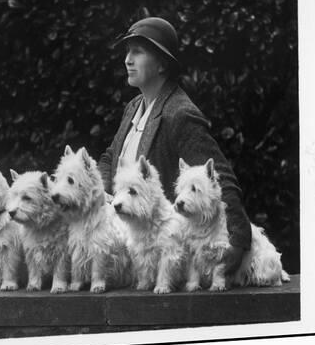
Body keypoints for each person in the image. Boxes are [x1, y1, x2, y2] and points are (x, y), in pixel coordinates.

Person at [98, 17, 252, 278]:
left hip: (162, 255)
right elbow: (111, 157)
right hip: (124, 239)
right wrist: (91, 188)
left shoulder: (179, 113)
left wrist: (239, 242)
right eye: (127, 52)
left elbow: (219, 176)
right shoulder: (133, 107)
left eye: (138, 51)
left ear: (162, 64)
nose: (127, 60)